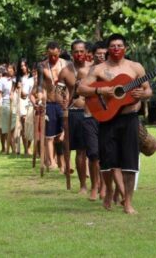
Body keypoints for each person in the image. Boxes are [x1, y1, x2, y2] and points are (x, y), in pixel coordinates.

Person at [78, 34, 152, 214]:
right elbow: (81, 88)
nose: (116, 49)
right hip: (107, 118)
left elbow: (147, 89)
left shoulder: (135, 67)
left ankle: (128, 202)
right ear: (108, 49)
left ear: (125, 48)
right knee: (108, 160)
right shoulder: (99, 69)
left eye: (120, 45)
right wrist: (101, 89)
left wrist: (144, 95)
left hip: (130, 118)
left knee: (129, 161)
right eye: (113, 46)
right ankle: (109, 190)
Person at [37, 41, 75, 172]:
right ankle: (52, 163)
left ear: (59, 51)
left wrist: (70, 100)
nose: (53, 58)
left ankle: (65, 163)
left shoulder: (67, 64)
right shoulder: (42, 66)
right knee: (50, 136)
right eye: (50, 55)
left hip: (64, 103)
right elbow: (40, 85)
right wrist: (40, 97)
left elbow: (71, 84)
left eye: (55, 55)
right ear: (47, 53)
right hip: (50, 103)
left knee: (64, 135)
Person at [77, 41, 107, 200]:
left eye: (104, 53)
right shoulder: (84, 72)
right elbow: (79, 94)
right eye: (98, 54)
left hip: (108, 117)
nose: (101, 56)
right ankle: (94, 186)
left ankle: (104, 185)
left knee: (105, 153)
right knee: (93, 153)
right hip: (89, 116)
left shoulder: (111, 72)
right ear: (92, 54)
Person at [68, 39, 89, 194]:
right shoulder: (65, 71)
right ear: (72, 53)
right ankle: (83, 185)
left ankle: (99, 184)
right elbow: (61, 95)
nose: (79, 54)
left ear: (87, 52)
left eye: (82, 51)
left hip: (96, 113)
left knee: (96, 152)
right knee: (80, 150)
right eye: (76, 51)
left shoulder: (96, 69)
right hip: (76, 114)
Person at [0, 64, 17, 153]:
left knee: (14, 127)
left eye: (11, 68)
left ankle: (13, 148)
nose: (9, 70)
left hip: (16, 103)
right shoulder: (2, 80)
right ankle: (10, 148)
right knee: (5, 127)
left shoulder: (17, 79)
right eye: (8, 68)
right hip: (6, 103)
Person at [17, 59, 34, 155]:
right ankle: (26, 148)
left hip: (31, 103)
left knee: (30, 126)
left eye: (24, 65)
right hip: (22, 103)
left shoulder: (32, 78)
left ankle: (29, 146)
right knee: (24, 126)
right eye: (21, 66)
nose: (22, 67)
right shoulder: (19, 78)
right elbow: (20, 93)